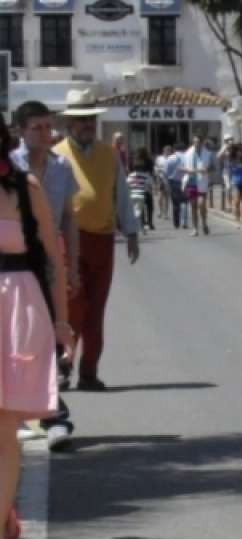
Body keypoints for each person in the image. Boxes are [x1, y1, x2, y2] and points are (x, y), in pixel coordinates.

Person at [0, 119, 76, 539]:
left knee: (5, 426)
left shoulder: (25, 189)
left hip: (18, 309)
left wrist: (63, 322)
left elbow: (53, 258)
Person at [53, 88, 141, 392]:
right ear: (69, 123)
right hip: (69, 239)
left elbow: (121, 195)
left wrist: (131, 232)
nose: (86, 124)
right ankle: (63, 366)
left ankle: (89, 371)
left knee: (96, 309)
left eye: (90, 118)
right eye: (80, 119)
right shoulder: (57, 155)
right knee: (72, 306)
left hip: (103, 239)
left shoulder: (109, 154)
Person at [11, 100, 80, 451]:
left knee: (51, 332)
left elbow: (68, 217)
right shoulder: (10, 167)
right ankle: (22, 411)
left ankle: (54, 415)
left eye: (47, 127)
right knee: (19, 337)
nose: (44, 133)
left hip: (50, 258)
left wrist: (74, 264)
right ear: (21, 131)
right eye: (37, 127)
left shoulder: (61, 166)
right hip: (16, 262)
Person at [127, 148, 156, 234]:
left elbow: (127, 182)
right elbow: (151, 175)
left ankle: (141, 223)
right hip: (144, 189)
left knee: (139, 209)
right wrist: (152, 189)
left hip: (134, 190)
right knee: (149, 205)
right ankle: (149, 222)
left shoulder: (133, 161)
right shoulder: (148, 161)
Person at [226, 143, 242, 229]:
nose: (240, 153)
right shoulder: (232, 161)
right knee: (236, 202)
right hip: (235, 183)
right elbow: (230, 172)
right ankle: (237, 221)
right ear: (236, 152)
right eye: (239, 151)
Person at [153, 145, 171, 223]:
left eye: (168, 151)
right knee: (160, 196)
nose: (167, 152)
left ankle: (166, 213)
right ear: (163, 151)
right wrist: (157, 172)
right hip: (160, 179)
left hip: (168, 179)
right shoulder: (159, 158)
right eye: (165, 150)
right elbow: (155, 167)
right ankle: (160, 211)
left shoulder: (171, 159)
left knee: (167, 197)